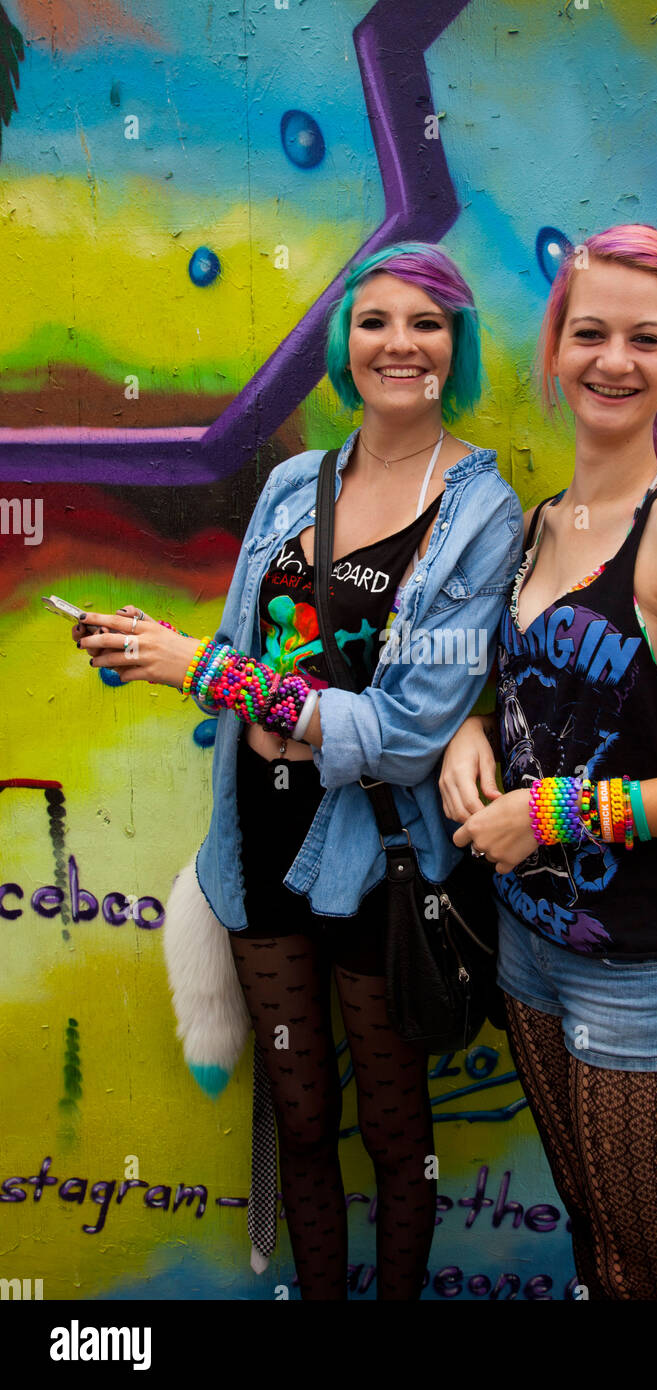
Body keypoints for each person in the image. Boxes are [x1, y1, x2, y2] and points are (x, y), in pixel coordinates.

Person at [72, 242, 523, 1300]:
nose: (397, 343)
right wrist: (169, 653)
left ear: (453, 347)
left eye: (426, 322)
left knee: (394, 1120)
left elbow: (409, 730)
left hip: (379, 863)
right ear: (343, 344)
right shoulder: (290, 486)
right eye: (373, 321)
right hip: (261, 846)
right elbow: (241, 656)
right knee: (303, 1111)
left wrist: (218, 679)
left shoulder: (479, 515)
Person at [439, 224, 657, 1301]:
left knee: (649, 1270)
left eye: (646, 338)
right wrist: (469, 731)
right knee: (597, 1247)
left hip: (645, 969)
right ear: (553, 350)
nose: (612, 360)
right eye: (587, 332)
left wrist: (549, 816)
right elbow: (538, 697)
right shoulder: (543, 521)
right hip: (529, 949)